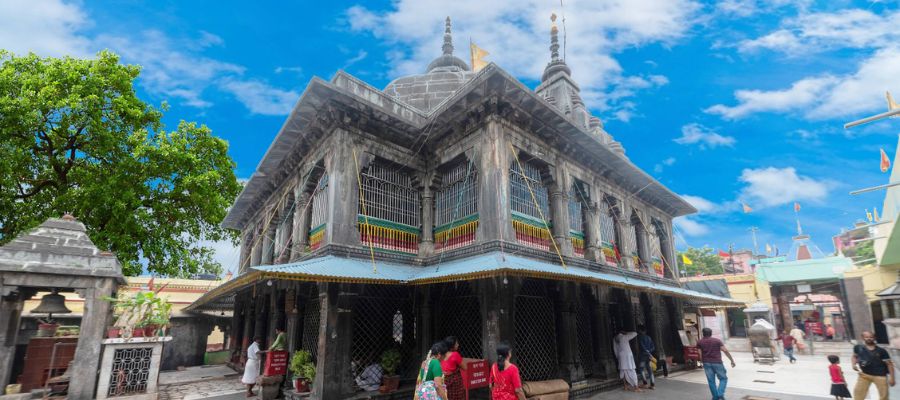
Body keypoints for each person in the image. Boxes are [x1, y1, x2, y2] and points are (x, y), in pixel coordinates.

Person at [852, 330, 895, 400]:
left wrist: (892, 378)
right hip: (864, 375)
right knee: (858, 393)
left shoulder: (882, 351)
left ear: (874, 338)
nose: (869, 338)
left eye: (871, 337)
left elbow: (889, 364)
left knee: (884, 396)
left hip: (880, 376)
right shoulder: (858, 348)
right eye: (866, 337)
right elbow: (854, 356)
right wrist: (853, 365)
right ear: (863, 338)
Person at [698, 327, 736, 400]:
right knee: (723, 378)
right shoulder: (717, 341)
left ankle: (715, 397)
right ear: (711, 333)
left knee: (711, 381)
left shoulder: (700, 342)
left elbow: (700, 354)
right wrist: (732, 360)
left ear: (703, 334)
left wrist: (702, 362)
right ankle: (720, 393)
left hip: (706, 363)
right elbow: (725, 350)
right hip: (717, 362)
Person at [636, 325, 656, 389]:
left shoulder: (640, 337)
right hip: (649, 357)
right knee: (649, 370)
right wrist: (649, 352)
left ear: (640, 330)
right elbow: (653, 347)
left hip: (643, 356)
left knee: (641, 369)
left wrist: (646, 351)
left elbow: (642, 347)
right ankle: (652, 385)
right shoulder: (649, 337)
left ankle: (645, 383)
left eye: (639, 330)